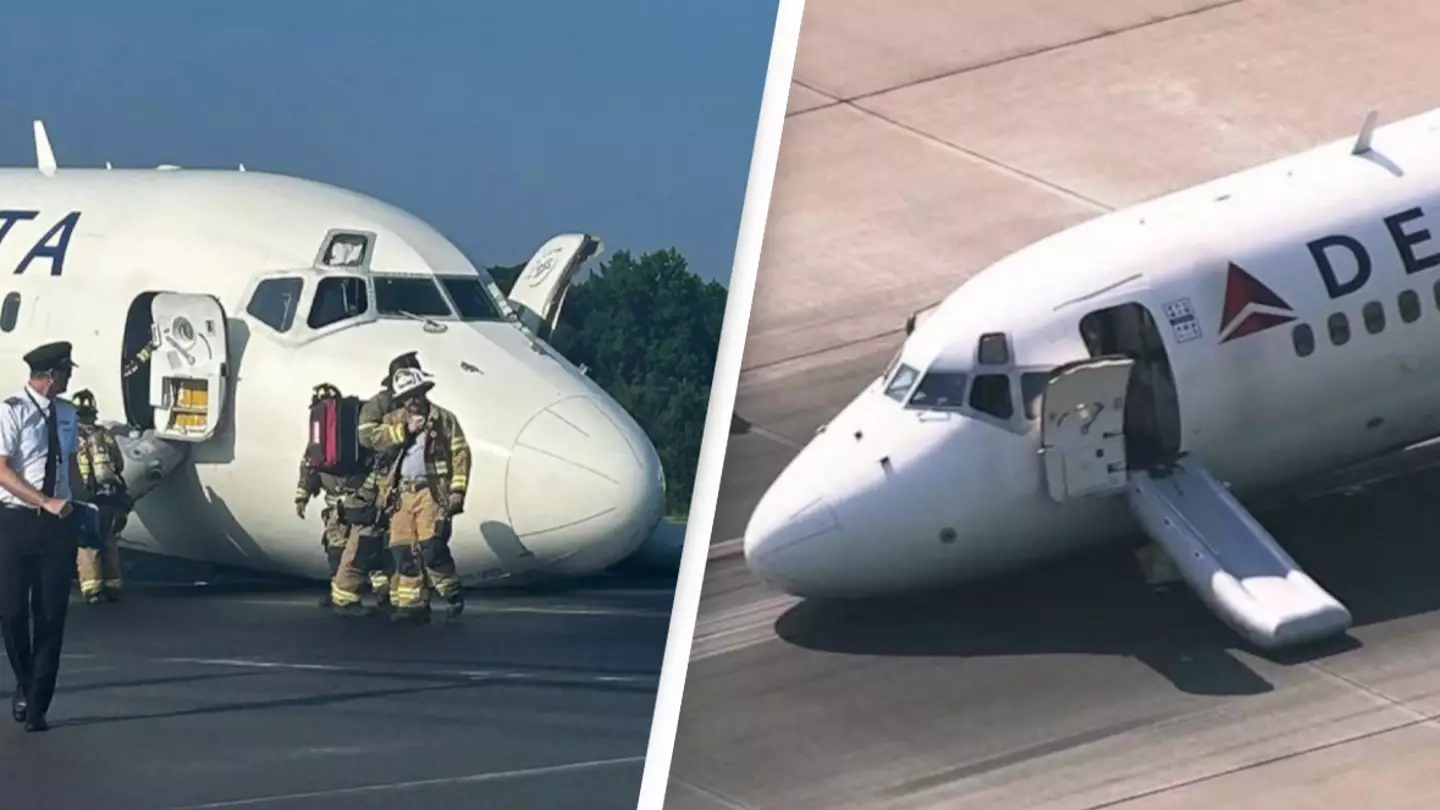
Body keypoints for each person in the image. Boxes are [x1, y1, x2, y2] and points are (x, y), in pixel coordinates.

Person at [0, 341, 83, 732]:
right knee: (12, 611)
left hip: (57, 525)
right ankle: (25, 677)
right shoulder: (11, 412)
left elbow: (70, 468)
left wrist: (83, 508)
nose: (69, 379)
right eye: (66, 373)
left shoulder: (67, 415)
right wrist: (43, 500)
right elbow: (2, 470)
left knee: (51, 615)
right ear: (50, 376)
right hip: (17, 521)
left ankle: (37, 705)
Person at [367, 367, 470, 623]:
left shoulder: (444, 419)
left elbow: (460, 454)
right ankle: (413, 606)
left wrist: (457, 491)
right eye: (406, 396)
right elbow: (371, 439)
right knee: (402, 551)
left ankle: (452, 591)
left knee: (431, 547)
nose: (411, 400)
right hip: (401, 494)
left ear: (424, 391)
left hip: (431, 492)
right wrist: (404, 431)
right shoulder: (394, 419)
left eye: (415, 394)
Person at [296, 384, 382, 617]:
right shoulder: (343, 435)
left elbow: (308, 467)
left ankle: (347, 596)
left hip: (339, 503)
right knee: (350, 549)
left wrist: (302, 494)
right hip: (352, 499)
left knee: (348, 549)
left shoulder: (321, 439)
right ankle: (344, 595)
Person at [71, 389, 132, 604]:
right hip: (109, 496)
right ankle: (113, 584)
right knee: (109, 540)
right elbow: (119, 463)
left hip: (86, 496)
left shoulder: (71, 434)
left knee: (88, 544)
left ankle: (92, 588)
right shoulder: (104, 434)